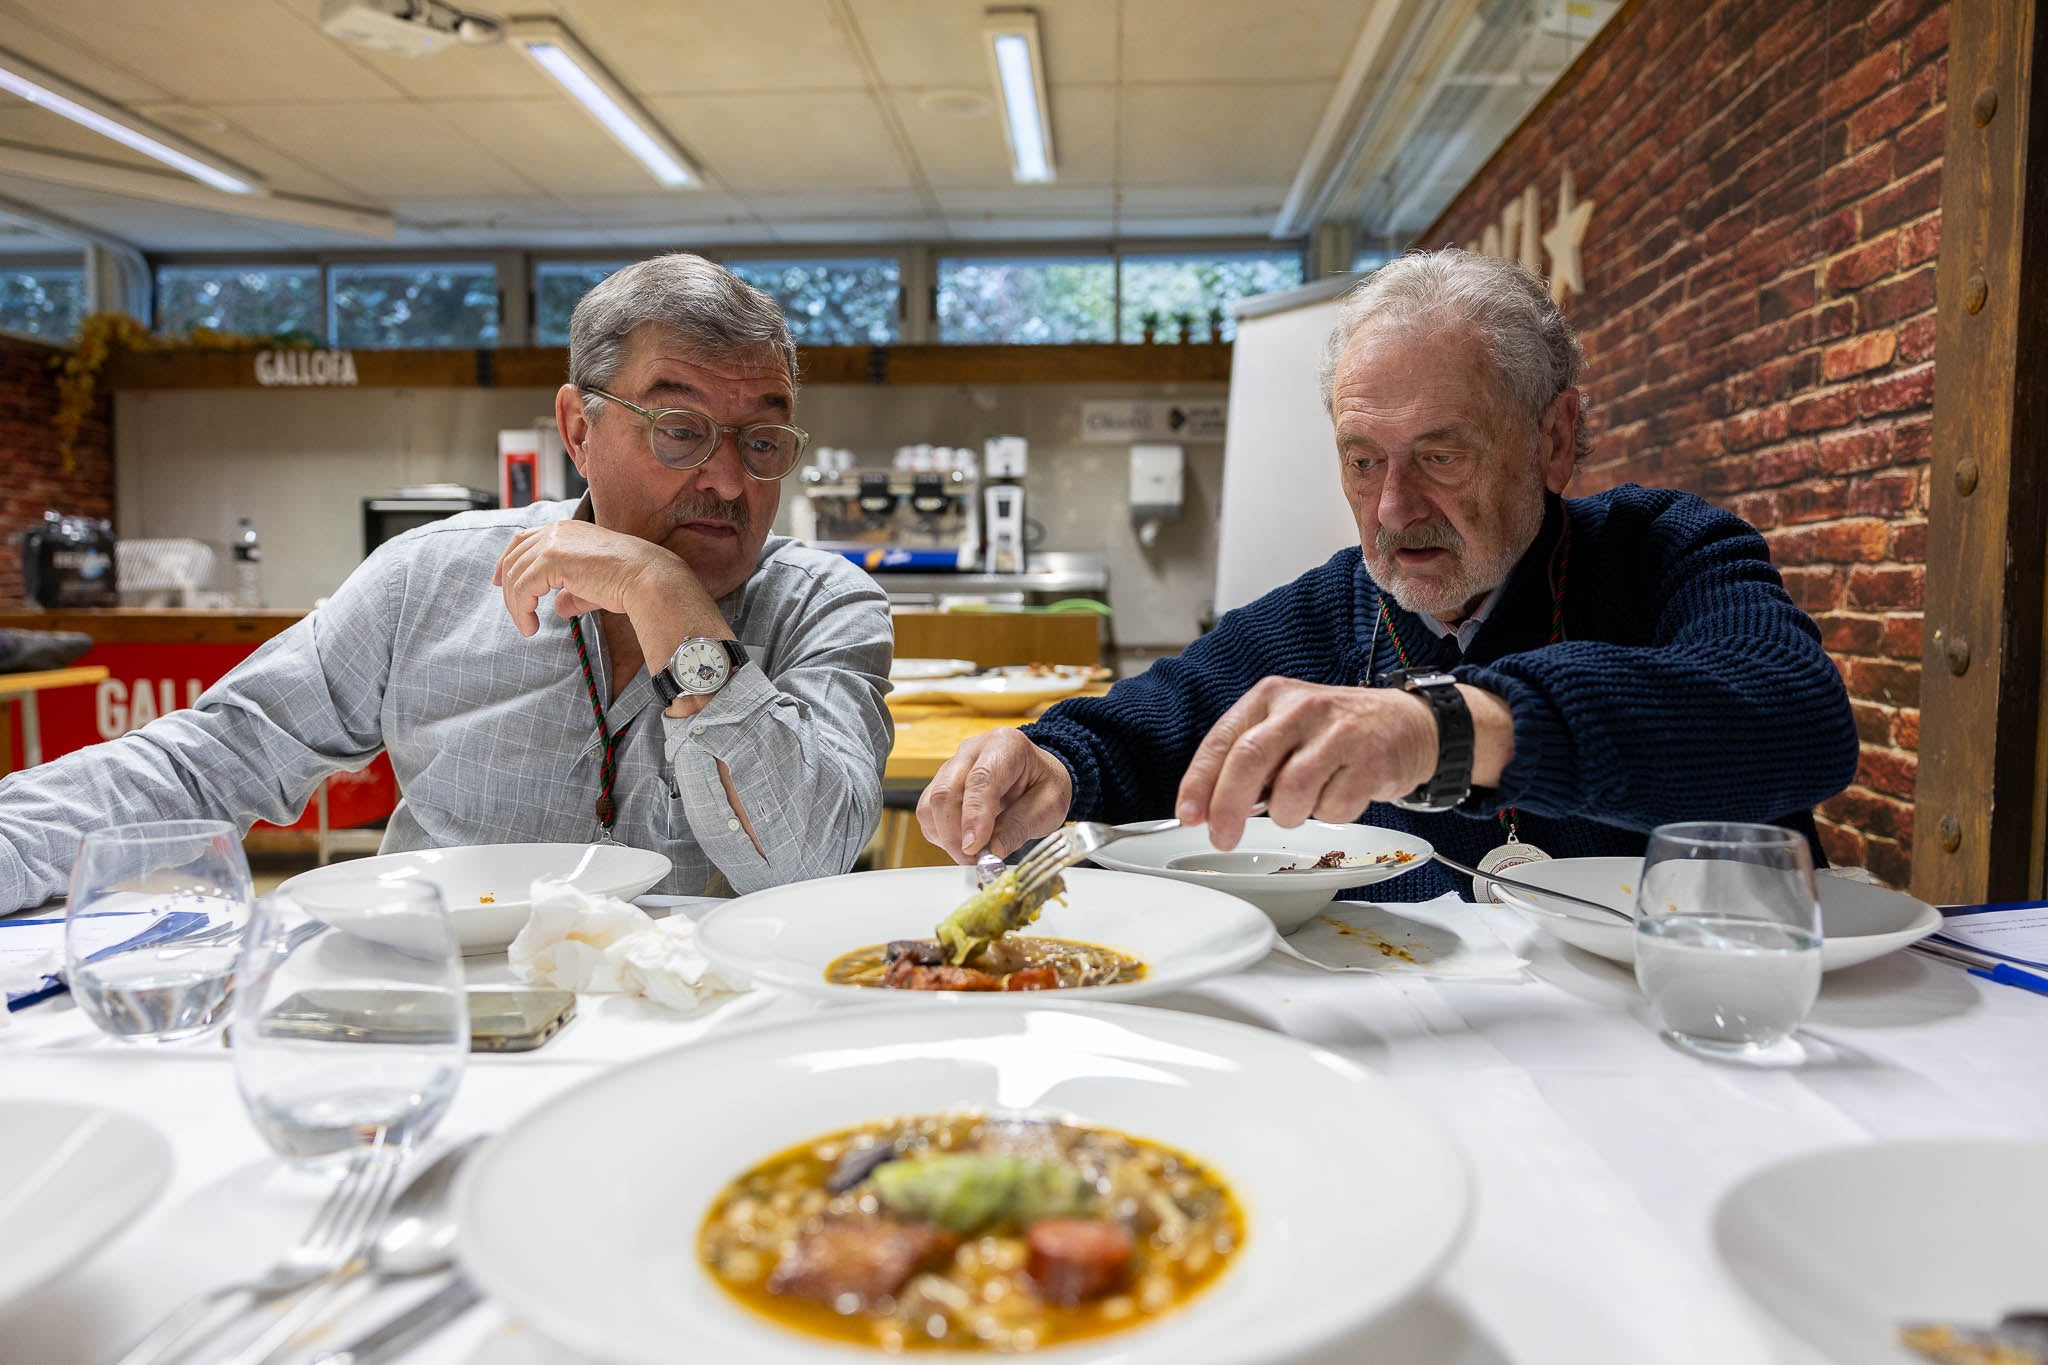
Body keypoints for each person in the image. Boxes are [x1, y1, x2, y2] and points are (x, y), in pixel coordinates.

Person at [919, 249, 1859, 901]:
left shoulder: (1667, 550)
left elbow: (1796, 720)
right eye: (1363, 460)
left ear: (1554, 438)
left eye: (1441, 456)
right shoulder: (1327, 614)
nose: (1394, 508)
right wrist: (1047, 765)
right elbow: (1142, 737)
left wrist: (1442, 729)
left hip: (1693, 1037)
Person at [0, 254, 893, 909]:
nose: (731, 482)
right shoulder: (433, 577)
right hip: (444, 1023)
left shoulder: (825, 606)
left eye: (763, 442)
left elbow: (804, 863)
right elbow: (215, 758)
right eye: (679, 429)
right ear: (579, 430)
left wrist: (667, 596)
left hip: (704, 1051)